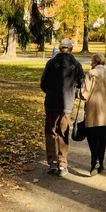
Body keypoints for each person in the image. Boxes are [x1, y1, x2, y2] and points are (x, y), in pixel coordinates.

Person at [40, 38, 84, 177]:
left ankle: (52, 162)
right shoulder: (76, 65)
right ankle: (63, 164)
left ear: (60, 48)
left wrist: (52, 92)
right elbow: (81, 84)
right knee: (63, 133)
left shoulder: (51, 63)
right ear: (71, 49)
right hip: (67, 104)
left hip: (51, 103)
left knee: (50, 132)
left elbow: (43, 83)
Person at [81, 53, 106, 176]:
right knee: (103, 139)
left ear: (95, 62)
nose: (91, 63)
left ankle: (94, 161)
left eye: (91, 61)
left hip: (93, 111)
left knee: (92, 138)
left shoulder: (91, 74)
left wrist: (78, 94)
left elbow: (85, 94)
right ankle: (101, 163)